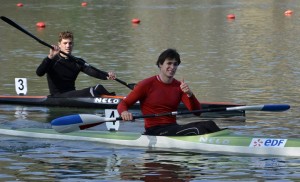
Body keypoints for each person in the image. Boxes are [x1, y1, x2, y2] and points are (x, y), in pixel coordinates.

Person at [117, 48, 221, 136]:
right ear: (160, 64)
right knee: (197, 130)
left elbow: (197, 113)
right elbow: (123, 103)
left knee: (210, 124)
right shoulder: (145, 84)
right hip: (155, 130)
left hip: (172, 127)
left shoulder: (179, 86)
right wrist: (124, 112)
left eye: (175, 64)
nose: (172, 67)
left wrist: (190, 94)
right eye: (169, 63)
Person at [36, 31, 116, 97]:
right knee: (94, 90)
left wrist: (107, 75)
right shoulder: (52, 60)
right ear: (59, 44)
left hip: (72, 95)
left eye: (70, 43)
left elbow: (93, 71)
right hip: (57, 96)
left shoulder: (77, 61)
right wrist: (50, 56)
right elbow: (39, 73)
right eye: (65, 43)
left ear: (73, 44)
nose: (68, 46)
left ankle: (116, 101)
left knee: (99, 88)